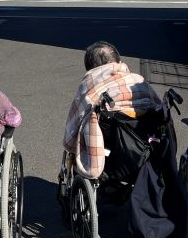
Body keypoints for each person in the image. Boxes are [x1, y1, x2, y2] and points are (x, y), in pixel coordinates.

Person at [63, 41, 153, 179]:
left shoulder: (88, 86)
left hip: (105, 156)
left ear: (89, 67)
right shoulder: (139, 81)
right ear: (119, 61)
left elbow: (72, 131)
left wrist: (70, 146)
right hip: (143, 152)